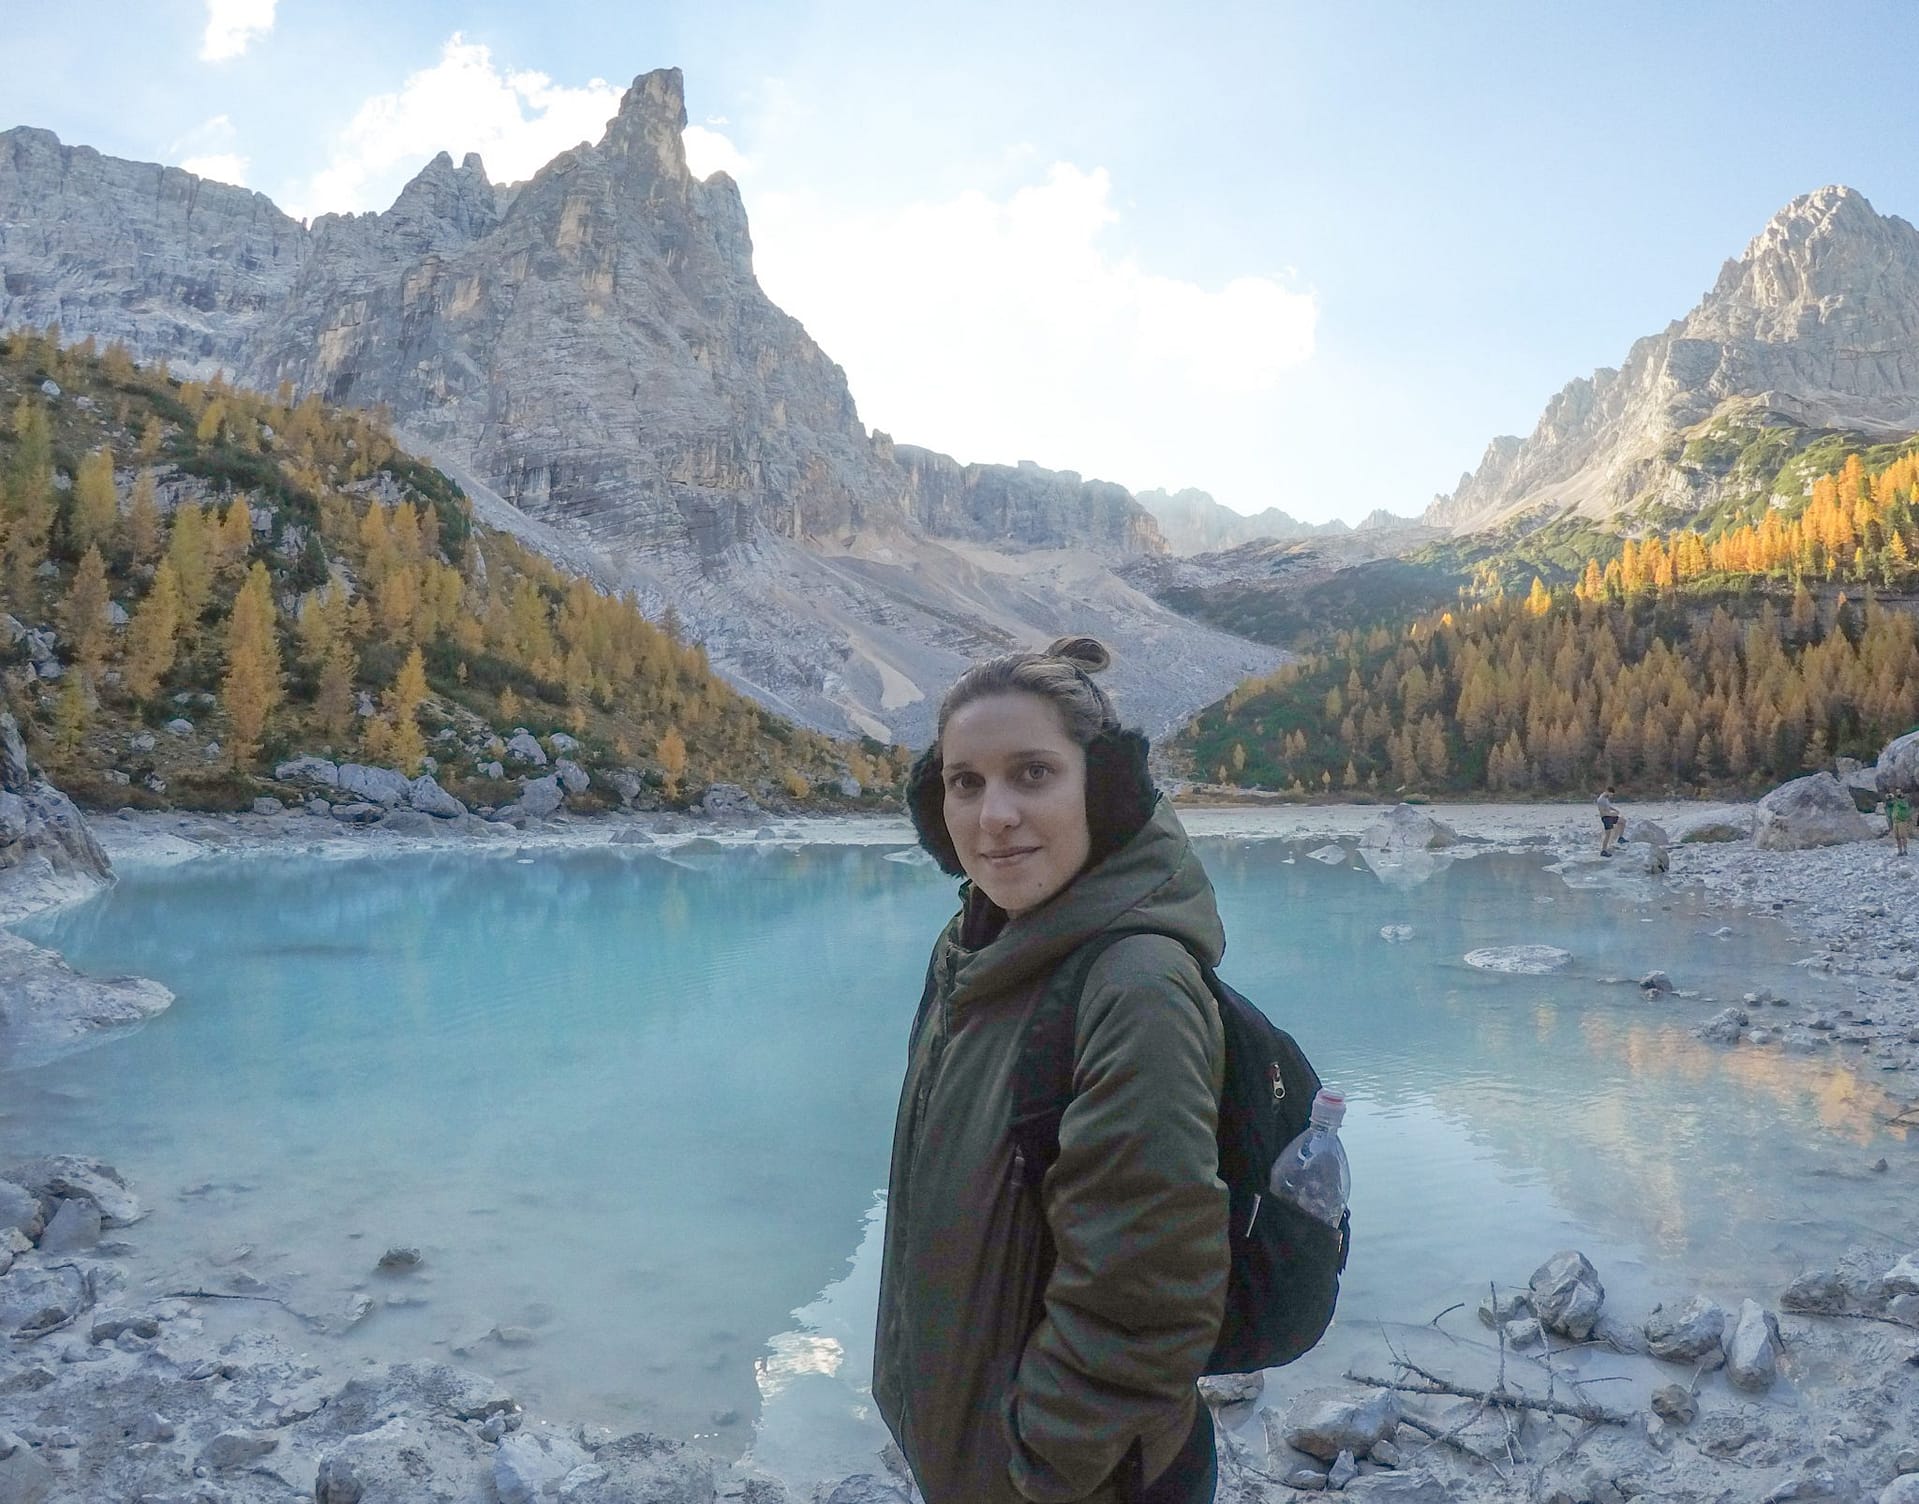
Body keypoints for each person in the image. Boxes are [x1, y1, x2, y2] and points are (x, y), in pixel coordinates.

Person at [875, 635, 1229, 1504]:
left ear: (1103, 790)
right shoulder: (974, 948)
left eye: (1032, 774)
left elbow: (1145, 1294)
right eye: (965, 782)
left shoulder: (1135, 985)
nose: (993, 815)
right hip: (977, 1452)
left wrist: (1043, 1470)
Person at [1597, 787, 1623, 857]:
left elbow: (1608, 806)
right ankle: (1603, 851)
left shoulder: (1605, 798)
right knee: (1607, 834)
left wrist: (1615, 810)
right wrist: (1613, 814)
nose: (1611, 796)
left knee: (1622, 821)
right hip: (1606, 818)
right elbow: (1602, 813)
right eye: (1611, 794)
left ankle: (1620, 838)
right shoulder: (1601, 800)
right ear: (1607, 791)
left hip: (1609, 816)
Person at [1890, 788, 1912, 857]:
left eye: (1899, 792)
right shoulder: (1895, 801)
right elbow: (1889, 806)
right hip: (1895, 821)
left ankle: (1905, 850)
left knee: (1903, 836)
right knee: (1897, 837)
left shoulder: (1904, 800)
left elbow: (1904, 806)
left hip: (1902, 821)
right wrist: (1889, 799)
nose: (1897, 793)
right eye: (1896, 792)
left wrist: (1896, 799)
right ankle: (1900, 851)